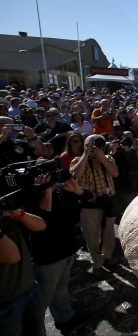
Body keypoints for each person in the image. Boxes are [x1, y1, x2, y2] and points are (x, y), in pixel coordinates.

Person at [29, 176, 92, 328]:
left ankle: (64, 317)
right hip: (49, 256)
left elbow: (88, 197)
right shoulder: (32, 194)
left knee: (60, 287)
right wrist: (46, 193)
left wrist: (77, 190)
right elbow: (42, 220)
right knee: (42, 297)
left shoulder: (60, 188)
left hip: (67, 249)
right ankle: (34, 328)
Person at [0, 183, 48, 336]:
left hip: (30, 291)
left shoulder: (4, 214)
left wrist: (18, 213)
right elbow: (12, 256)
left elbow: (40, 225)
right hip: (5, 306)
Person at [70, 134, 119, 275]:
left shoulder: (108, 159)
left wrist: (101, 156)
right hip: (89, 205)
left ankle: (107, 257)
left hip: (108, 203)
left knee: (109, 232)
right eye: (91, 145)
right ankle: (97, 262)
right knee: (92, 235)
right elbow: (76, 175)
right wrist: (86, 155)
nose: (95, 148)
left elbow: (115, 173)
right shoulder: (77, 161)